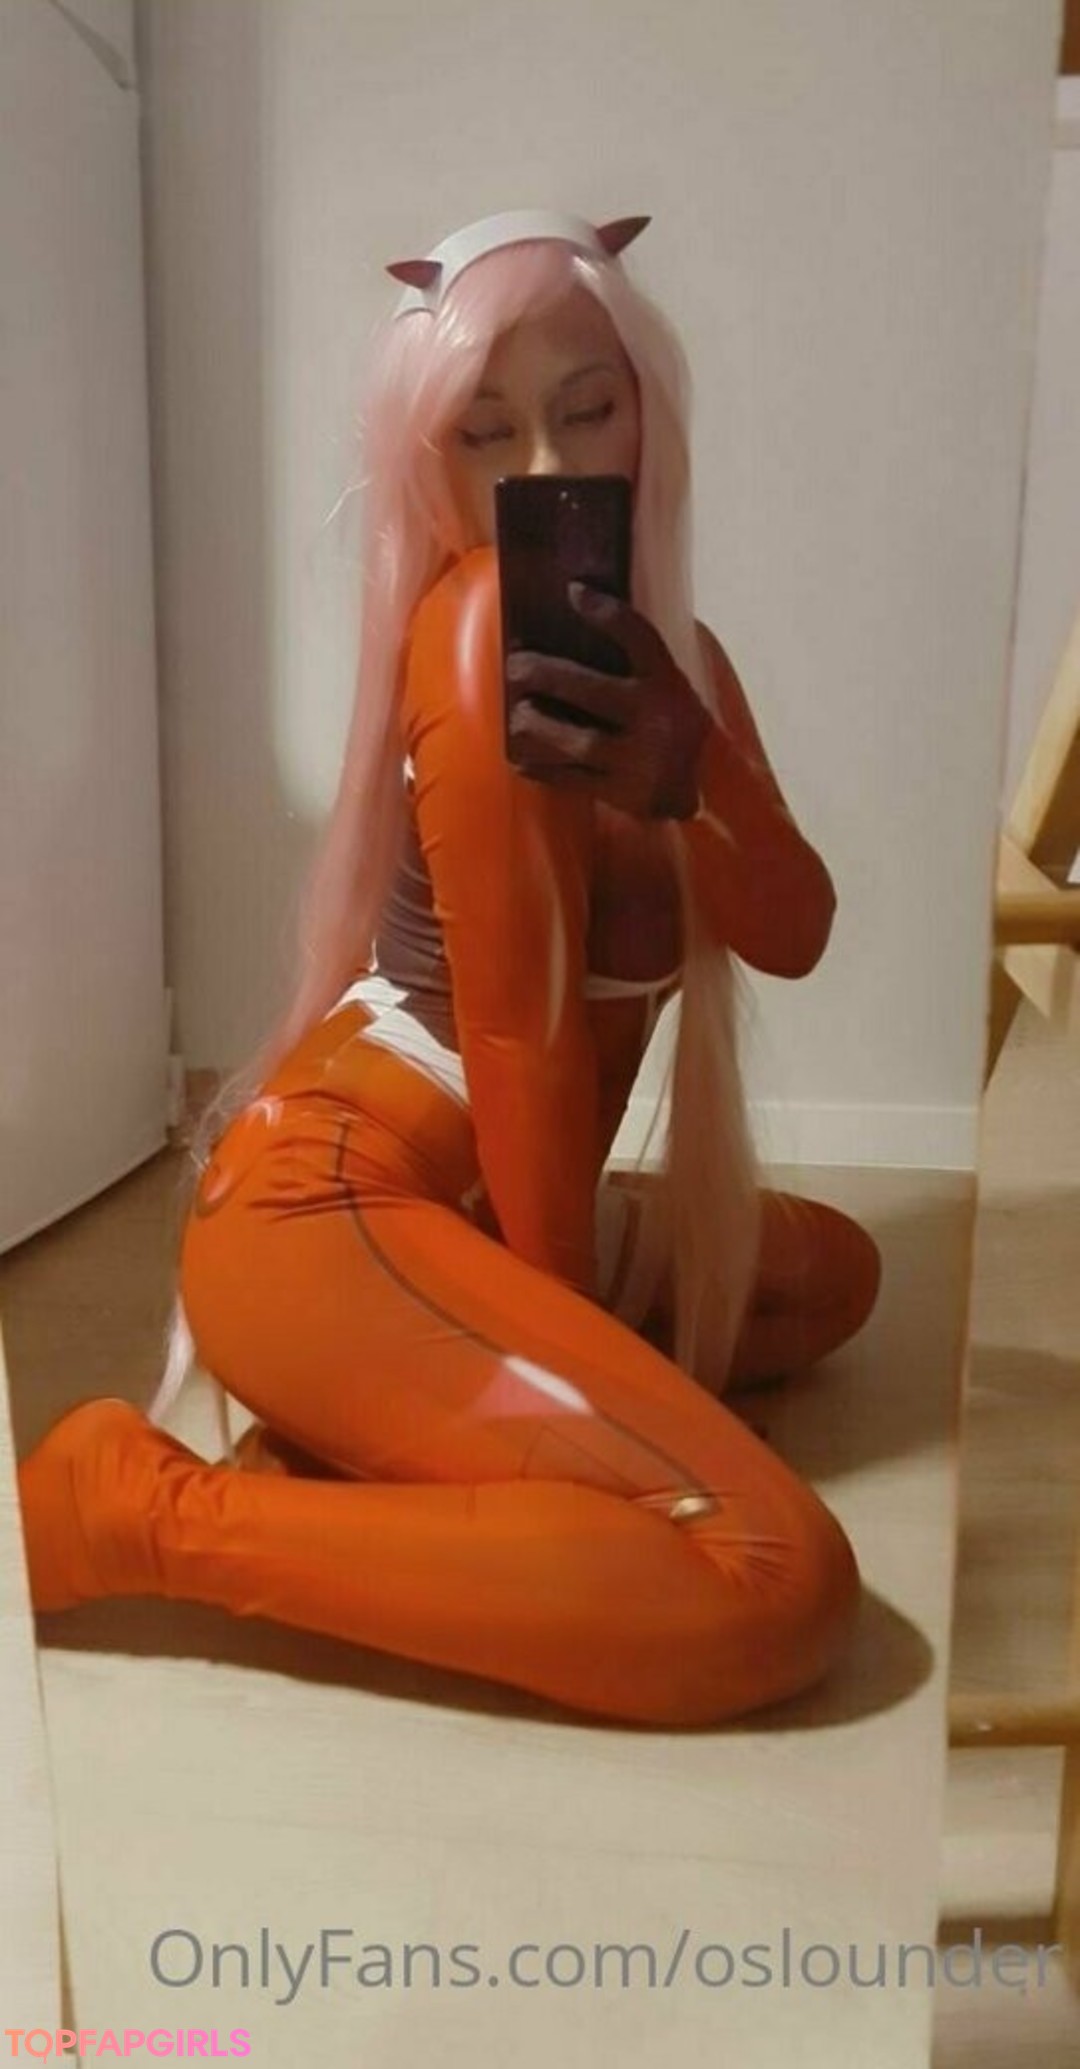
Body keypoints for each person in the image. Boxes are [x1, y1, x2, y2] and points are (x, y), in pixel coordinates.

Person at [16, 209, 882, 1728]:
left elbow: (793, 931)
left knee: (833, 1277)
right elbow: (520, 1039)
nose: (545, 469)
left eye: (588, 410)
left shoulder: (683, 669)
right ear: (434, 461)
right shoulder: (482, 627)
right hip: (329, 1205)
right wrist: (571, 1374)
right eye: (488, 433)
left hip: (475, 1207)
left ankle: (360, 1431)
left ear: (648, 414)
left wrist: (697, 774)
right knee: (770, 1579)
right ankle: (133, 1510)